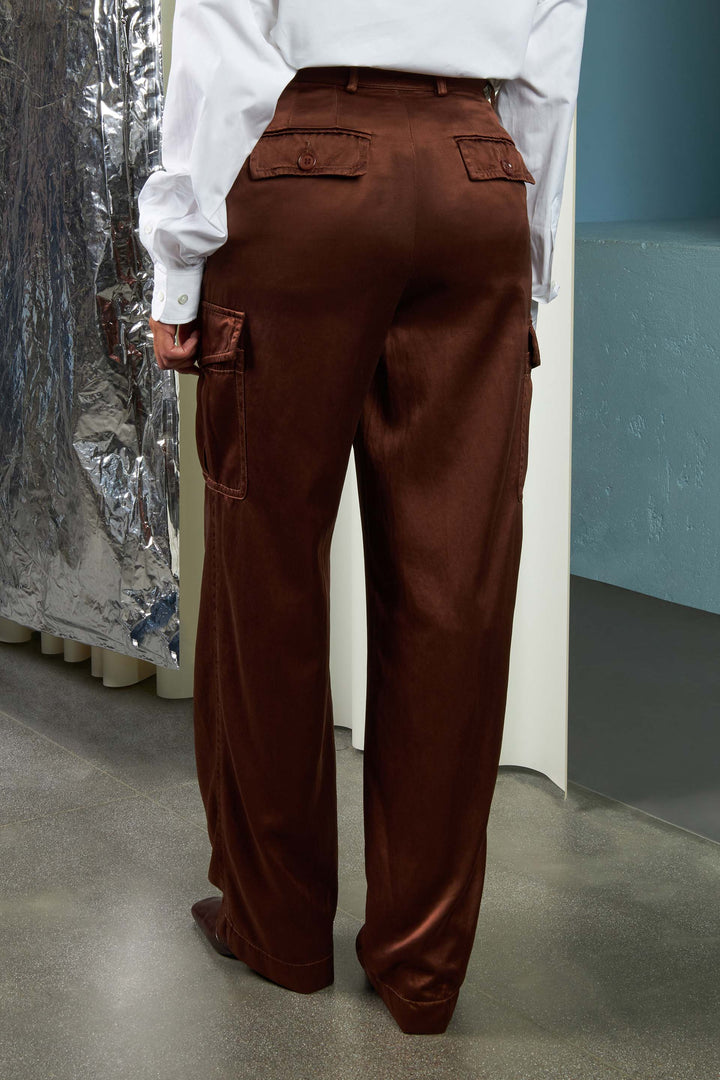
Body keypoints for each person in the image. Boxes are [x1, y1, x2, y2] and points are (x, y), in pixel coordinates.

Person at [138, 0, 587, 1036]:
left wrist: (178, 261)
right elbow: (550, 78)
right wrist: (525, 264)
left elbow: (224, 43)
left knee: (267, 570)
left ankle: (279, 928)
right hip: (479, 181)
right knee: (456, 587)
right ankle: (423, 968)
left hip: (304, 179)